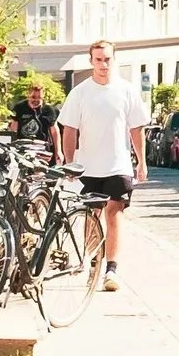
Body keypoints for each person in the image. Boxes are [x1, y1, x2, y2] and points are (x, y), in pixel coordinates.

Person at [57, 42, 146, 292]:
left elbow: (136, 129)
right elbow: (70, 129)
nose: (103, 64)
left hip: (119, 164)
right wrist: (70, 161)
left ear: (113, 59)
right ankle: (93, 260)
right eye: (98, 60)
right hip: (88, 166)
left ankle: (112, 269)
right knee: (91, 214)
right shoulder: (80, 93)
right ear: (91, 61)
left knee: (114, 212)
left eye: (107, 59)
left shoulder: (126, 90)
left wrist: (141, 161)